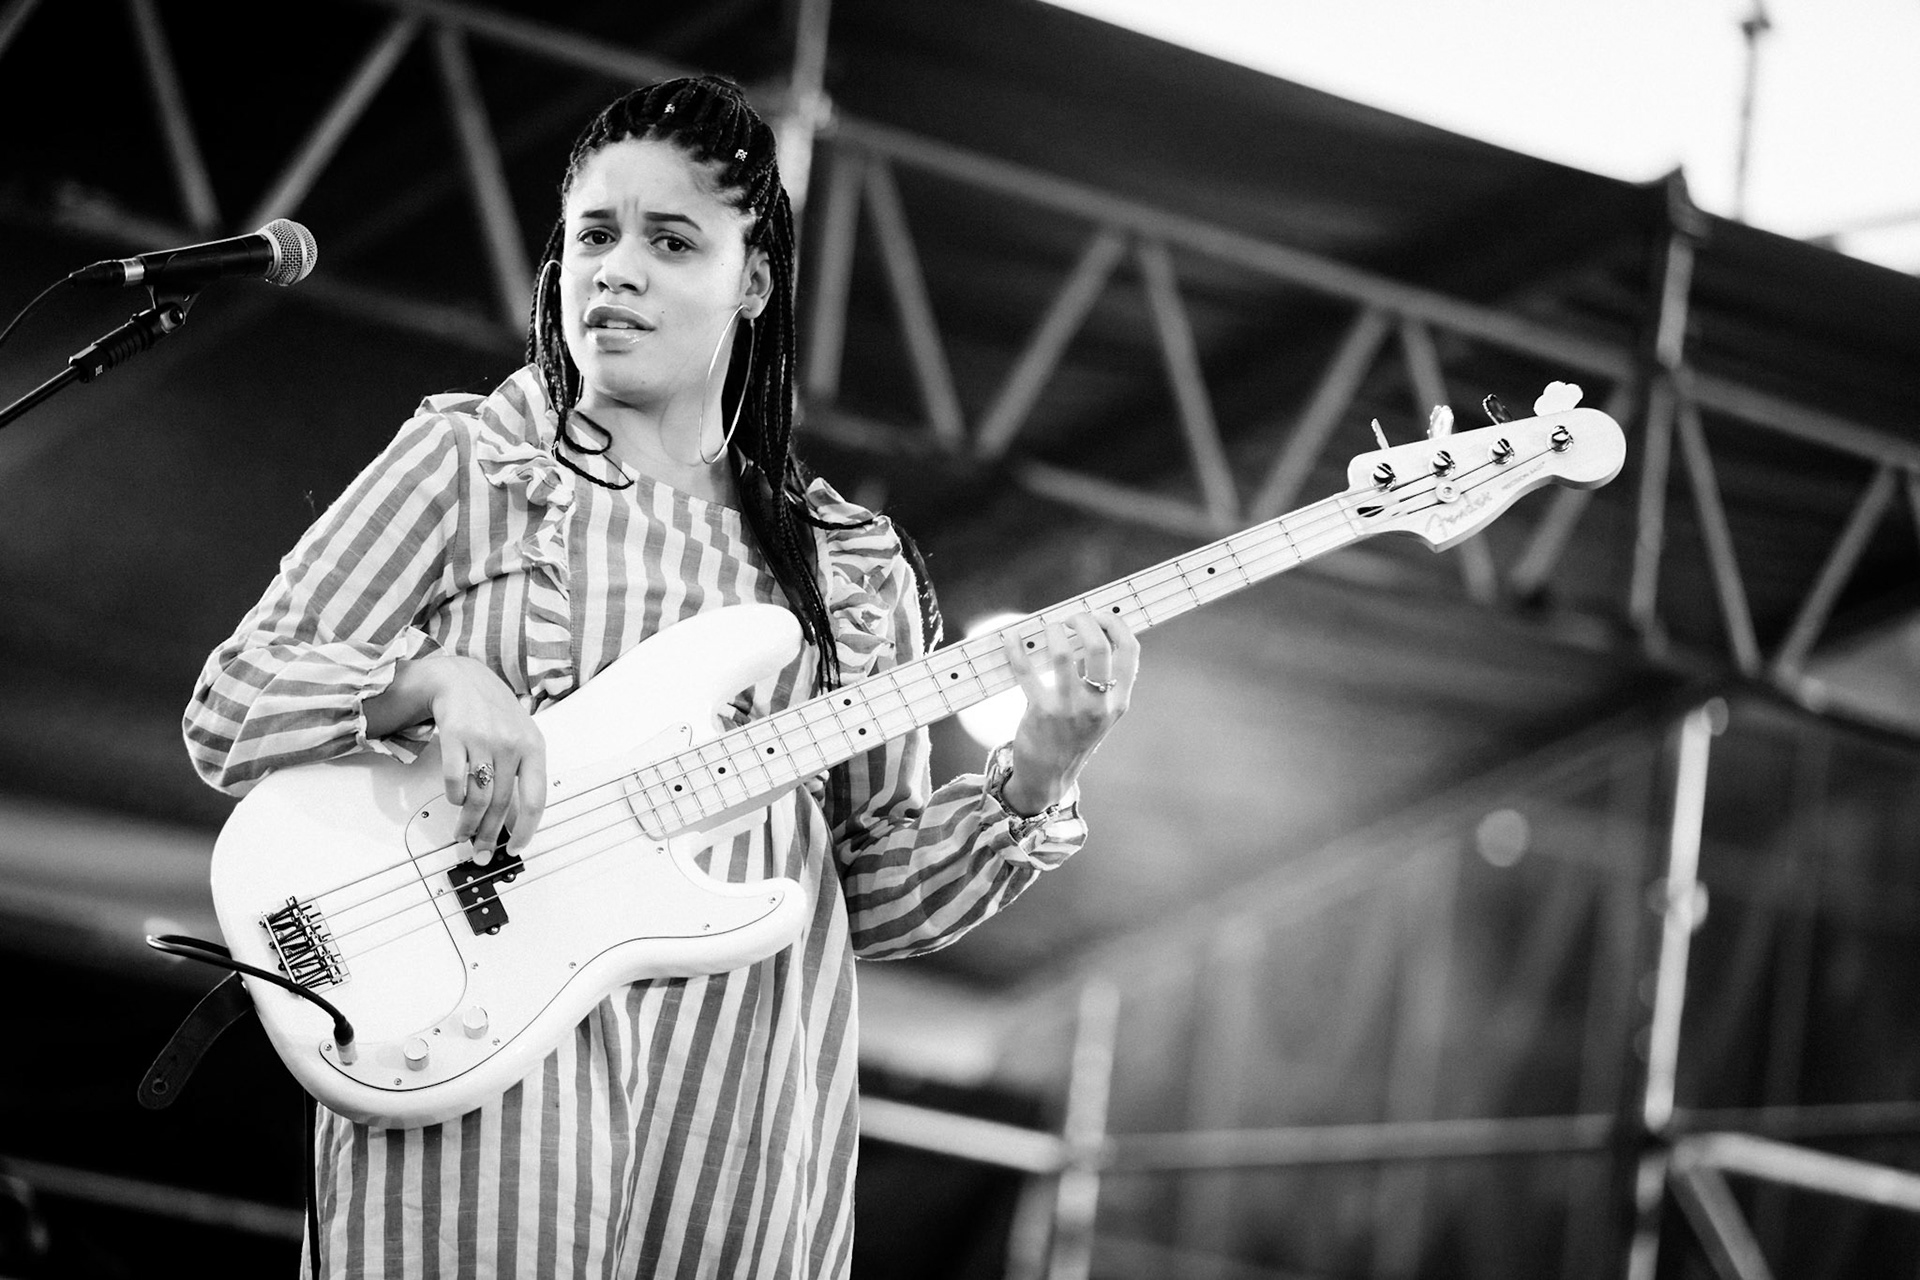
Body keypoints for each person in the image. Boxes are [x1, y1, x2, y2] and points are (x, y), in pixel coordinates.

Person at [182, 74, 1139, 1278]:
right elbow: (233, 701)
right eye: (594, 236)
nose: (616, 271)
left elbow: (873, 895)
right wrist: (436, 680)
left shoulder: (850, 571)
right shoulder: (474, 462)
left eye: (670, 241)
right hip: (480, 1063)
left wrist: (1037, 772)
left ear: (755, 281)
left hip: (748, 1107)